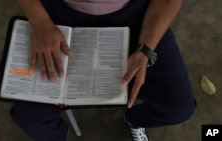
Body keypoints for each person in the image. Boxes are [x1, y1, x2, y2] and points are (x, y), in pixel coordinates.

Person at [10, 0, 196, 141]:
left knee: (178, 108)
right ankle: (60, 136)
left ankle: (134, 119)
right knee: (29, 117)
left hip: (138, 12)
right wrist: (40, 22)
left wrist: (146, 49)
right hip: (56, 13)